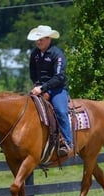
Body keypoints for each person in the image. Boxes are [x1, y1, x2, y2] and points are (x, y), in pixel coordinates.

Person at [27, 25, 72, 157]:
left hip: (57, 89)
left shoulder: (57, 54)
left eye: (41, 39)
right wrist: (37, 85)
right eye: (37, 39)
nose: (38, 42)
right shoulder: (35, 54)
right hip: (39, 88)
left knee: (60, 111)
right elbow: (33, 73)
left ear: (49, 39)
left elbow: (59, 77)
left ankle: (68, 143)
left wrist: (42, 88)